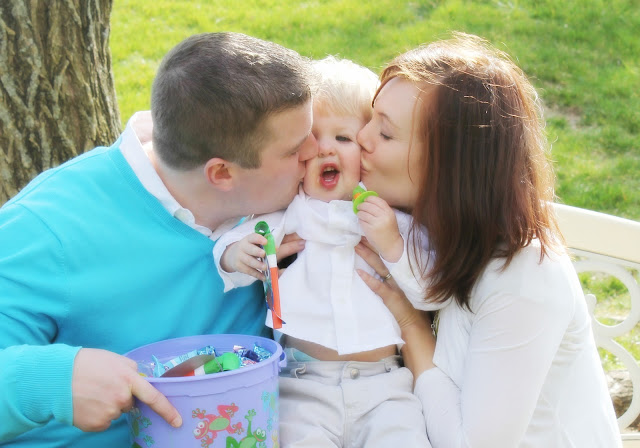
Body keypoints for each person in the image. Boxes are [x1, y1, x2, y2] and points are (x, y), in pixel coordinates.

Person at [0, 32, 317, 447]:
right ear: (222, 173)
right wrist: (52, 382)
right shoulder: (46, 229)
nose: (316, 151)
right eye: (295, 149)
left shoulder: (282, 199)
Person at [354, 32, 622, 447]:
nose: (362, 138)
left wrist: (411, 325)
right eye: (370, 118)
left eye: (385, 134)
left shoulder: (522, 275)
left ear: (450, 166)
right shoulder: (421, 240)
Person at [214, 56, 439, 447]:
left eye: (343, 138)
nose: (325, 149)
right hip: (303, 385)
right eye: (312, 139)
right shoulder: (292, 214)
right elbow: (234, 240)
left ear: (366, 152)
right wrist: (235, 255)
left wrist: (391, 243)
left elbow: (430, 287)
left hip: (385, 385)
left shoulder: (390, 219)